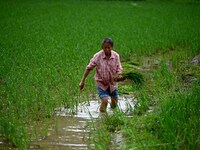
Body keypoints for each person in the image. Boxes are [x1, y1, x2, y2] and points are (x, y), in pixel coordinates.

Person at [79, 37, 124, 112]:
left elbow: (119, 69)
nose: (107, 49)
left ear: (112, 47)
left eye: (108, 47)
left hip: (112, 83)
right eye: (105, 48)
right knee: (105, 101)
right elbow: (89, 68)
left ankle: (112, 117)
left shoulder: (116, 56)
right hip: (101, 83)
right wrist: (82, 81)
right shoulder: (98, 56)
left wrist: (119, 76)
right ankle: (102, 118)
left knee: (115, 103)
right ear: (102, 47)